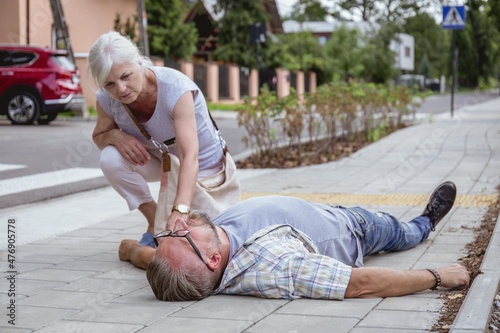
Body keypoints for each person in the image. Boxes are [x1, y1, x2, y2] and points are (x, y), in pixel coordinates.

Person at [119, 181, 470, 301]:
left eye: (167, 233)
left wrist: (133, 249)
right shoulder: (273, 267)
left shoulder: (182, 260)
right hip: (356, 228)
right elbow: (360, 284)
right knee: (403, 232)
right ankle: (426, 222)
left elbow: (148, 258)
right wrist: (438, 277)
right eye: (180, 234)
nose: (178, 224)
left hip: (320, 208)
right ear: (213, 260)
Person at [86, 31, 240, 248]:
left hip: (204, 168)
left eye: (125, 76)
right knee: (110, 158)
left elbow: (189, 156)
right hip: (163, 162)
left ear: (138, 62)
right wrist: (114, 135)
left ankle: (167, 222)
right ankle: (153, 221)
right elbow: (99, 136)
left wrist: (180, 210)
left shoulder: (175, 88)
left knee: (208, 241)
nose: (120, 89)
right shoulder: (106, 100)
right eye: (109, 84)